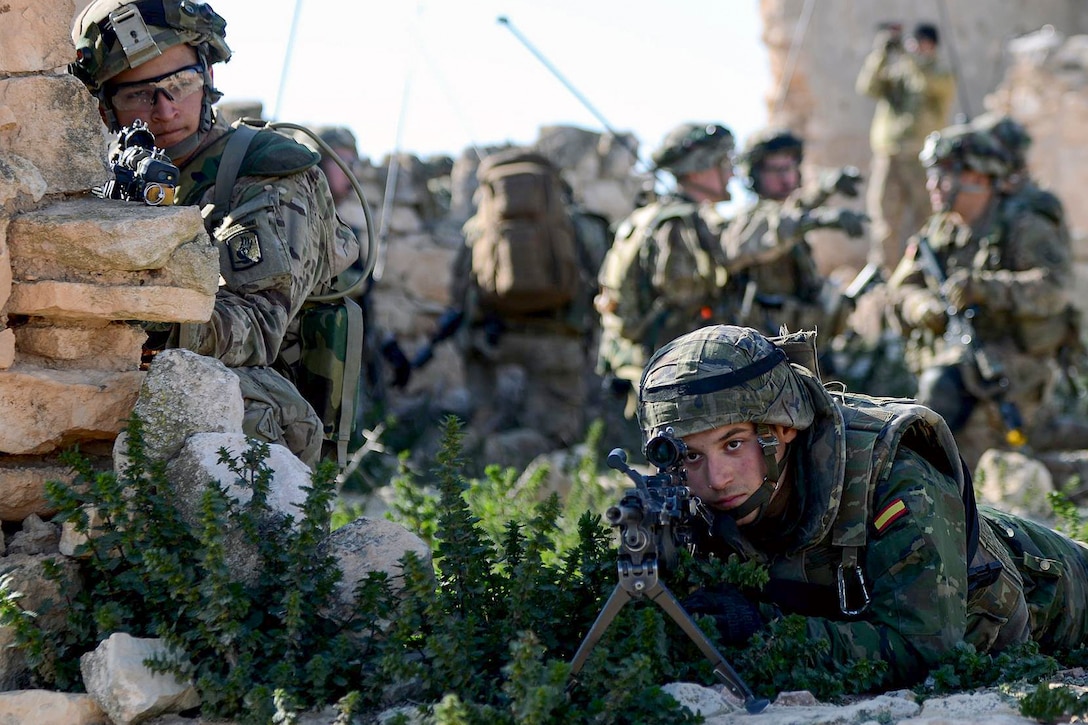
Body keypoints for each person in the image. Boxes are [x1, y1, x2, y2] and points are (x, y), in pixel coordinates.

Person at [636, 323, 1088, 690]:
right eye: (691, 455)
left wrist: (765, 632)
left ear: (784, 428)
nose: (716, 479)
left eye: (733, 444)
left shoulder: (894, 479)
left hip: (1056, 593)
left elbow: (926, 649)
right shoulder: (689, 496)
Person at [69, 0, 363, 469]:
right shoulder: (110, 175)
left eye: (179, 85)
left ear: (206, 77)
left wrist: (145, 318)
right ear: (106, 108)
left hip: (260, 425)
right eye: (138, 95)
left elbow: (259, 327)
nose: (165, 110)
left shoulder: (264, 173)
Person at [887, 123, 1076, 471]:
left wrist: (986, 288)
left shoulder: (1023, 224)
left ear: (977, 176)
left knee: (1018, 467)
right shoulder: (939, 230)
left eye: (943, 175)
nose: (932, 185)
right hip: (956, 369)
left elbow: (1056, 288)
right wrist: (921, 306)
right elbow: (901, 287)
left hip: (1018, 372)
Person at [447, 146, 600, 469]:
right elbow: (598, 284)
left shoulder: (477, 230)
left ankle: (473, 470)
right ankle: (534, 487)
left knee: (487, 418)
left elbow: (460, 291)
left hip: (493, 343)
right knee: (554, 433)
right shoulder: (577, 224)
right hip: (559, 344)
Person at [595, 122, 733, 417]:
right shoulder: (679, 224)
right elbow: (683, 298)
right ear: (698, 170)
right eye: (723, 163)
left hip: (644, 364)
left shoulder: (647, 216)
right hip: (672, 374)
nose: (731, 173)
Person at [720, 128, 867, 337]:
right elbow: (775, 227)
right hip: (760, 346)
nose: (785, 178)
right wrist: (821, 219)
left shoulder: (789, 216)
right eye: (775, 169)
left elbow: (795, 210)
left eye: (789, 168)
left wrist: (827, 187)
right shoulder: (748, 220)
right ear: (754, 174)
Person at [856, 21, 956, 271]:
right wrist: (881, 53)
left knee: (927, 219)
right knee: (884, 220)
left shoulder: (940, 75)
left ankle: (928, 273)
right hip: (889, 155)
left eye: (921, 45)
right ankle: (884, 274)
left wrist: (907, 58)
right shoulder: (898, 73)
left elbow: (926, 83)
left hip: (920, 157)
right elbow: (867, 87)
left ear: (931, 46)